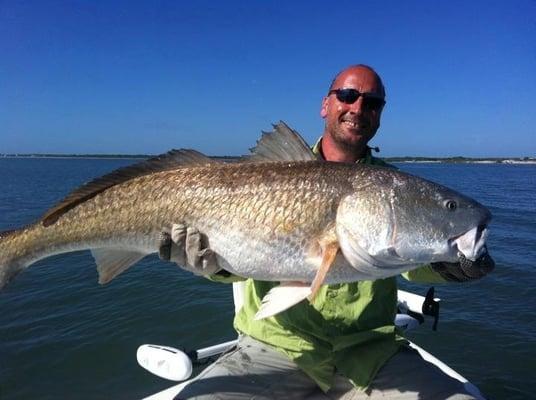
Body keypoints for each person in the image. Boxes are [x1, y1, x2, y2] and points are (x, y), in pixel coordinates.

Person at [158, 65, 494, 399]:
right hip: (273, 347)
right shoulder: (270, 173)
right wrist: (211, 265)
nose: (358, 108)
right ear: (325, 104)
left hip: (369, 354)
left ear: (379, 115)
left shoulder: (395, 187)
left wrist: (457, 264)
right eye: (348, 95)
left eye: (372, 103)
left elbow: (416, 261)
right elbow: (239, 261)